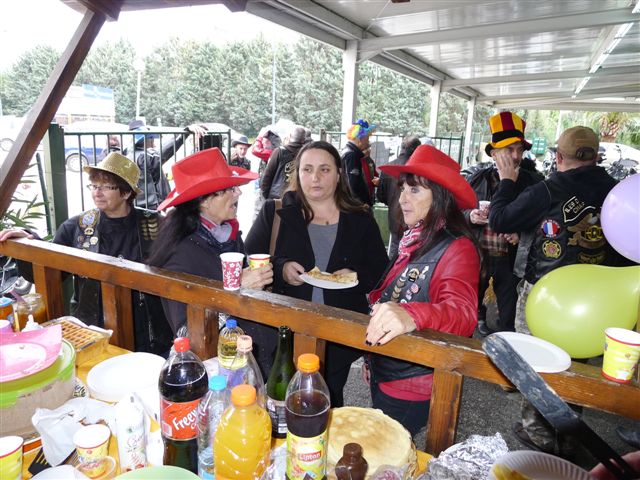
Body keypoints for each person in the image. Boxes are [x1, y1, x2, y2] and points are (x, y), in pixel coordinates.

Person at [488, 126, 621, 457]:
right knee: (575, 363)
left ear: (559, 157)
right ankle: (570, 431)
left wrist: (507, 181)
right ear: (596, 156)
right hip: (596, 296)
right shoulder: (616, 190)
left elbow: (500, 218)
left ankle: (540, 433)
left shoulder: (549, 189)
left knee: (536, 360)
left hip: (546, 294)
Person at [245, 140, 389, 406]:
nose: (315, 177)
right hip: (283, 332)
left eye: (324, 169)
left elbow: (381, 272)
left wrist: (355, 276)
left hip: (339, 336)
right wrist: (280, 267)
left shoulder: (360, 218)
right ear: (297, 174)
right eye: (307, 169)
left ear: (338, 174)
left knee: (328, 400)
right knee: (279, 400)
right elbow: (249, 258)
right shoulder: (276, 212)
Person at [0, 152, 171, 354]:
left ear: (126, 193)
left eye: (106, 187)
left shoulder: (156, 224)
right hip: (93, 327)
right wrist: (30, 240)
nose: (97, 193)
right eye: (94, 185)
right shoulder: (77, 227)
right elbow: (53, 269)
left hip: (148, 329)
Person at [364, 145, 480, 437]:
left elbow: (463, 314)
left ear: (440, 196)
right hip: (389, 367)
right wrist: (371, 359)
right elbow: (391, 294)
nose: (402, 198)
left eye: (414, 190)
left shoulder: (458, 247)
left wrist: (411, 314)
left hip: (413, 381)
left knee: (387, 448)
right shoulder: (415, 238)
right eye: (403, 188)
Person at [147, 148, 274, 367]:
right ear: (204, 201)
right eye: (229, 189)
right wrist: (236, 288)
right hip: (220, 364)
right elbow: (187, 333)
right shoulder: (180, 253)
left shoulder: (226, 235)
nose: (239, 193)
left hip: (251, 352)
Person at [466, 112, 541, 336]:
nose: (516, 156)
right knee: (471, 300)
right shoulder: (477, 178)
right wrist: (470, 215)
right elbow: (455, 211)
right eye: (510, 149)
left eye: (520, 150)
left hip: (512, 260)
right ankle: (478, 319)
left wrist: (522, 234)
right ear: (494, 153)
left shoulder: (535, 183)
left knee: (509, 314)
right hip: (479, 254)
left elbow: (545, 223)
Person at [127, 119, 207, 210]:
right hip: (149, 206)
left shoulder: (129, 154)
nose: (153, 142)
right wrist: (185, 133)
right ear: (145, 140)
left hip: (141, 204)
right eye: (151, 138)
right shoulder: (143, 156)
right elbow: (164, 151)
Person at [376, 135, 421, 257]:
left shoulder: (389, 168)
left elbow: (380, 195)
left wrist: (392, 202)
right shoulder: (419, 170)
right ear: (417, 150)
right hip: (416, 220)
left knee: (395, 254)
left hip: (394, 219)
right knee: (414, 254)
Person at [260, 125, 308, 200]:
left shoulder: (279, 151)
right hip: (297, 198)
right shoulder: (306, 154)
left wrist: (266, 196)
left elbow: (267, 176)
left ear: (290, 136)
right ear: (304, 140)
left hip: (276, 197)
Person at [341, 119, 378, 206]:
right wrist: (361, 204)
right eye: (367, 139)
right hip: (355, 205)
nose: (368, 142)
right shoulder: (352, 155)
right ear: (360, 139)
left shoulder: (348, 152)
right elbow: (353, 184)